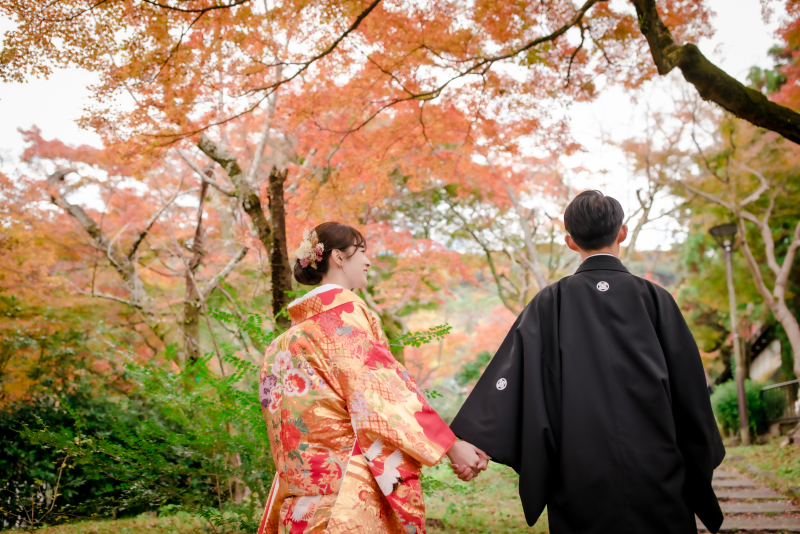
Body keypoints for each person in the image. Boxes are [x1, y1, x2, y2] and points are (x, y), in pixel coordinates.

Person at [449, 191, 726, 534]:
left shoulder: (550, 303)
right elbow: (691, 393)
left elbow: (512, 378)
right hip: (658, 471)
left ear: (569, 241)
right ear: (622, 232)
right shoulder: (656, 299)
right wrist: (698, 460)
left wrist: (474, 440)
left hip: (578, 473)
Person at [257, 222, 487, 534]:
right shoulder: (343, 319)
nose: (368, 261)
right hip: (345, 500)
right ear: (338, 257)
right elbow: (382, 395)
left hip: (296, 502)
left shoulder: (283, 342)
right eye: (361, 252)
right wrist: (450, 447)